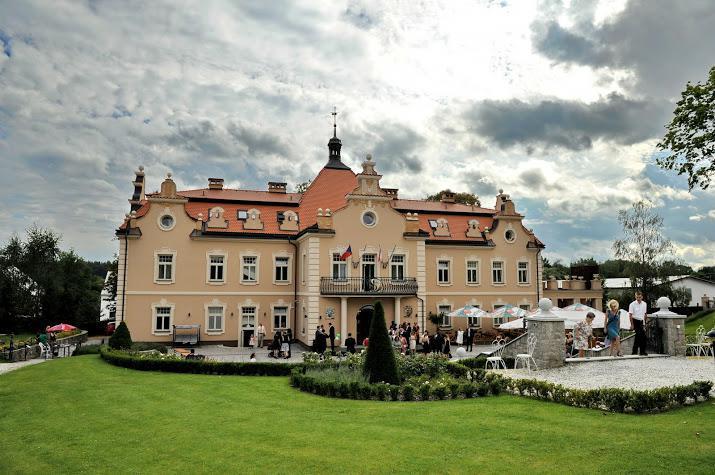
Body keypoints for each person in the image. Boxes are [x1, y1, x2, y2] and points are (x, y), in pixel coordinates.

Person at [629, 291, 648, 356]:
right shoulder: (632, 304)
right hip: (635, 321)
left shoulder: (644, 304)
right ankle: (635, 352)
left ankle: (641, 352)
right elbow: (630, 315)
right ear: (635, 297)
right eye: (637, 297)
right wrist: (632, 325)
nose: (638, 298)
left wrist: (644, 324)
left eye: (639, 297)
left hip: (641, 321)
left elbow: (645, 314)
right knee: (639, 335)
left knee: (643, 337)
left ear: (642, 297)